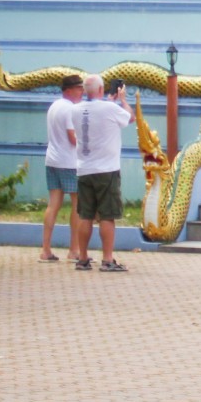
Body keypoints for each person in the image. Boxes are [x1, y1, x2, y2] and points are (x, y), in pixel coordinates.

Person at [71, 73, 132, 272]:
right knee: (107, 215)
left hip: (84, 168)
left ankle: (82, 258)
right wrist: (122, 101)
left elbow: (93, 114)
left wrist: (110, 103)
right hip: (107, 169)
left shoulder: (75, 110)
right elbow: (130, 118)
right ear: (100, 89)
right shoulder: (110, 108)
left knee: (85, 214)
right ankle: (107, 259)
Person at [39, 73, 82, 261]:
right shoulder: (71, 110)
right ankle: (74, 250)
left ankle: (45, 249)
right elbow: (73, 138)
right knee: (77, 205)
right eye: (78, 88)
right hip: (69, 162)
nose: (81, 92)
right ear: (69, 90)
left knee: (53, 204)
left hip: (52, 159)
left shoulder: (54, 106)